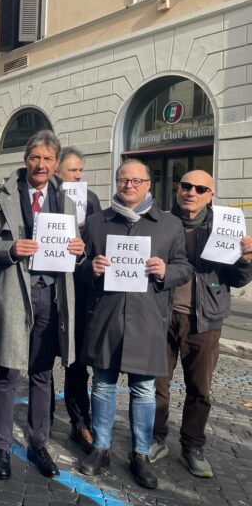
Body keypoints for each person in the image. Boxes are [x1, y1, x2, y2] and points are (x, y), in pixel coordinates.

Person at [0, 131, 84, 480]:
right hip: (13, 295)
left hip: (51, 297)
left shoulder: (66, 202)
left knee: (42, 374)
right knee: (8, 373)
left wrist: (78, 254)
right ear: (26, 160)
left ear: (56, 164)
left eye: (48, 159)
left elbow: (72, 250)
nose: (41, 165)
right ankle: (1, 448)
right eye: (35, 157)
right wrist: (9, 250)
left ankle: (39, 443)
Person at [78, 159, 192, 489]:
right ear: (116, 183)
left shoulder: (169, 224)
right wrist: (92, 267)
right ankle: (100, 448)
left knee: (143, 390)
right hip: (107, 317)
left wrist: (165, 271)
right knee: (102, 385)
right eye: (123, 180)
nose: (129, 185)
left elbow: (185, 267)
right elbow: (80, 265)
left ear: (148, 185)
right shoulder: (97, 222)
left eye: (136, 180)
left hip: (147, 318)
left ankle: (140, 454)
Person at [150, 170, 252, 477]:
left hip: (206, 319)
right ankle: (156, 437)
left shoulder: (225, 228)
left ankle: (193, 445)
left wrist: (246, 261)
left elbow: (236, 279)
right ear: (177, 189)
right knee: (156, 385)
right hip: (163, 315)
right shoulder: (162, 223)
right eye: (185, 185)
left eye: (199, 188)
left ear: (210, 195)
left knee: (201, 389)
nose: (191, 191)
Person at [54, 146, 102, 452]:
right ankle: (52, 420)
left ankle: (82, 422)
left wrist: (84, 235)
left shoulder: (91, 200)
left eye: (81, 170)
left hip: (83, 290)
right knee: (52, 362)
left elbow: (97, 243)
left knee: (81, 362)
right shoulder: (45, 197)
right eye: (73, 170)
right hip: (52, 288)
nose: (79, 175)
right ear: (58, 170)